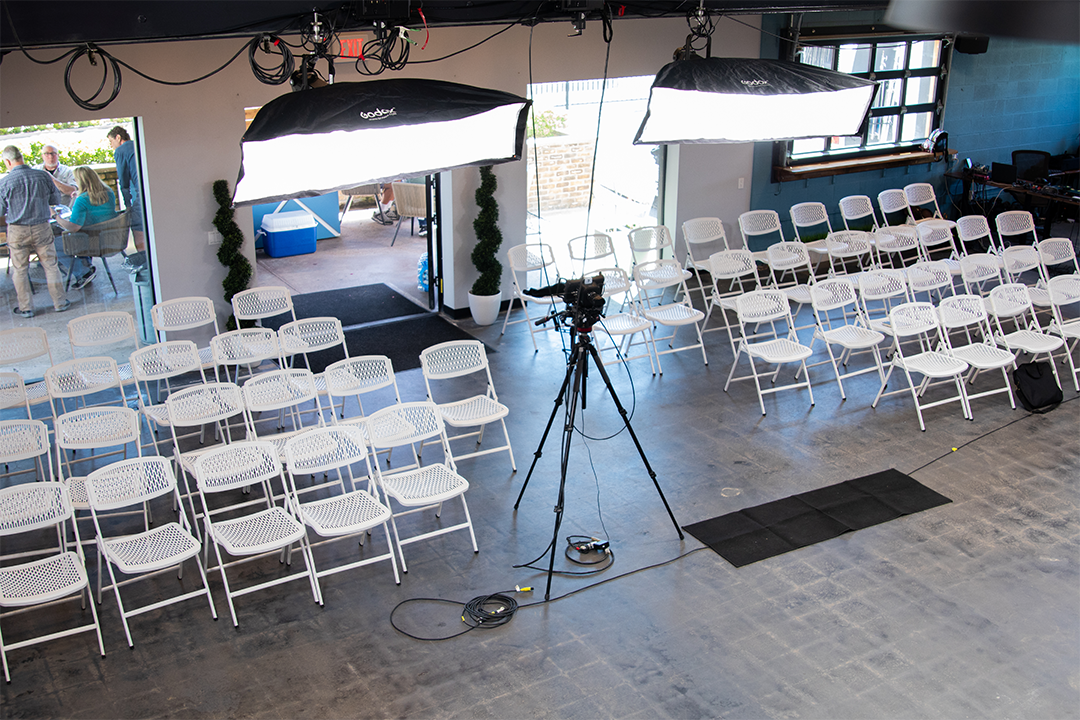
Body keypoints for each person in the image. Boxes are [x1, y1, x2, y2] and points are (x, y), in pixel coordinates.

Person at [0, 145, 71, 317]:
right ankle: (59, 303)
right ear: (22, 157)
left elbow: (1, 211)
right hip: (41, 227)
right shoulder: (42, 176)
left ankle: (26, 308)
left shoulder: (4, 182)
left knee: (20, 269)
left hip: (17, 230)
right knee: (51, 265)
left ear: (8, 162)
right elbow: (55, 200)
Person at [53, 166, 120, 289]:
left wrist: (56, 216)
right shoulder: (109, 192)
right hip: (110, 238)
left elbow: (72, 227)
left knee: (55, 244)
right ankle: (86, 268)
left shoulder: (82, 200)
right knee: (80, 234)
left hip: (92, 242)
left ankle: (83, 272)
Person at [36, 142, 94, 286]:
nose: (50, 156)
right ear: (42, 156)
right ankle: (83, 268)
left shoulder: (67, 171)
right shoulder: (35, 172)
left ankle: (82, 269)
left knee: (60, 241)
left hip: (65, 216)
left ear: (58, 155)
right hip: (44, 217)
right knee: (50, 241)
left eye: (53, 153)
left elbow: (72, 190)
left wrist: (51, 180)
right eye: (47, 154)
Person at [107, 125, 146, 259]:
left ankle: (144, 262)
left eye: (111, 142)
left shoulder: (121, 151)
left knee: (138, 229)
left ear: (118, 137)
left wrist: (128, 205)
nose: (112, 146)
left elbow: (123, 183)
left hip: (140, 196)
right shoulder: (140, 144)